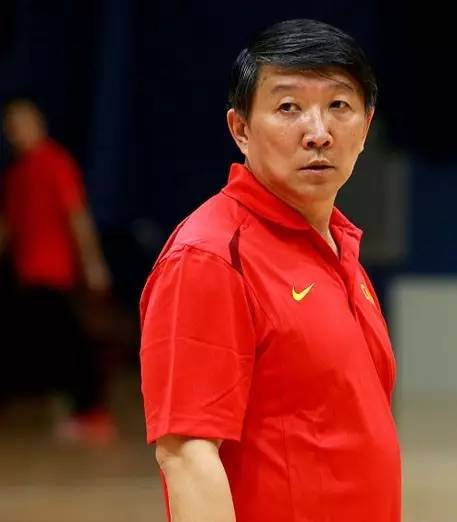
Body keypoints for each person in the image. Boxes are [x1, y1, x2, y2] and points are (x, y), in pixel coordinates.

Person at [139, 19, 400, 522]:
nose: (318, 133)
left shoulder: (338, 246)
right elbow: (187, 454)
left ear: (366, 127)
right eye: (288, 108)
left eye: (338, 106)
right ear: (240, 129)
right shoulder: (210, 256)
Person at [0, 98, 114, 444]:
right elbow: (8, 226)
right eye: (12, 126)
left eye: (24, 123)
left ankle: (93, 413)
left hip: (54, 274)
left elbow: (76, 215)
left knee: (69, 343)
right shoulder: (15, 174)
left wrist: (93, 264)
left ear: (39, 124)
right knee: (35, 342)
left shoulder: (55, 163)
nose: (18, 132)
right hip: (26, 276)